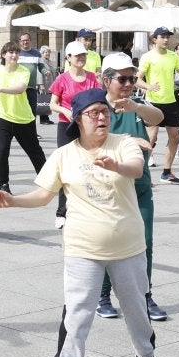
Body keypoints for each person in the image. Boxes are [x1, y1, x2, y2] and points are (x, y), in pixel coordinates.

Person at [0, 88, 169, 357]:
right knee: (78, 312)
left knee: (137, 308)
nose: (101, 117)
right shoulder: (64, 155)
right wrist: (13, 200)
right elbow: (43, 195)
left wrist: (116, 166)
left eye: (104, 112)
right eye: (93, 113)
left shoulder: (123, 143)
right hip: (83, 248)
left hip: (128, 245)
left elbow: (136, 168)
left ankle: (145, 356)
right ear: (78, 119)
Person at [93, 53, 166, 322]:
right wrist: (130, 140)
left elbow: (158, 117)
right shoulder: (96, 106)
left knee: (145, 242)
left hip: (140, 185)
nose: (128, 84)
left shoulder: (135, 103)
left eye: (132, 79)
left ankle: (144, 296)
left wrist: (136, 107)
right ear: (106, 80)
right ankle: (102, 295)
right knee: (108, 241)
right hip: (109, 188)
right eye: (122, 79)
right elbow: (90, 142)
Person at [49, 40, 101, 229]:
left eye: (83, 55)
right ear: (68, 58)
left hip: (87, 127)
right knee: (66, 168)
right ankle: (61, 212)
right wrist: (65, 110)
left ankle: (89, 209)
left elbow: (98, 99)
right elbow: (52, 104)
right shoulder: (62, 79)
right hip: (66, 126)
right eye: (77, 55)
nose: (81, 58)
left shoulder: (92, 78)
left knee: (90, 166)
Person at [0, 41, 47, 193]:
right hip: (3, 118)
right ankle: (3, 185)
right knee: (2, 151)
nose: (14, 55)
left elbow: (20, 88)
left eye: (17, 52)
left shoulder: (24, 71)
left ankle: (47, 180)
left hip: (24, 118)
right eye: (11, 52)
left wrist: (1, 89)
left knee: (35, 152)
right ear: (3, 55)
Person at [137, 28, 179, 182]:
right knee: (151, 137)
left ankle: (166, 173)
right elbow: (137, 79)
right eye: (162, 37)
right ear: (155, 39)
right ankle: (141, 174)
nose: (166, 40)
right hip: (153, 102)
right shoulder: (147, 57)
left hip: (170, 102)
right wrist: (148, 86)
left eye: (167, 37)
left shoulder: (173, 56)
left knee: (175, 136)